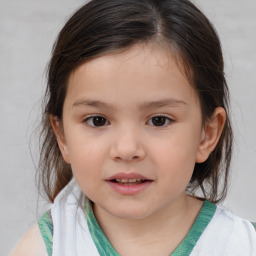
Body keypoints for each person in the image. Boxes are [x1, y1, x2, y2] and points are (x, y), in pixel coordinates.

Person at [10, 0, 256, 255]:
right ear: (62, 136)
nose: (127, 149)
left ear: (207, 134)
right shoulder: (43, 248)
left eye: (159, 120)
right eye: (98, 120)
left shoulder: (242, 245)